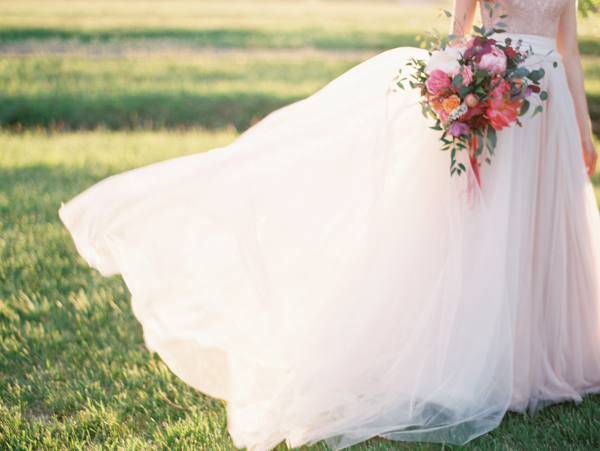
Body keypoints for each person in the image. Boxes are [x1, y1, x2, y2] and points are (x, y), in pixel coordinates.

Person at [59, 0, 600, 449]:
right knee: (495, 234)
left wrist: (583, 127)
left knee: (544, 233)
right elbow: (461, 35)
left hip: (545, 107)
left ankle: (544, 356)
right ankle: (499, 365)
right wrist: (464, 96)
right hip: (496, 100)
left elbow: (569, 50)